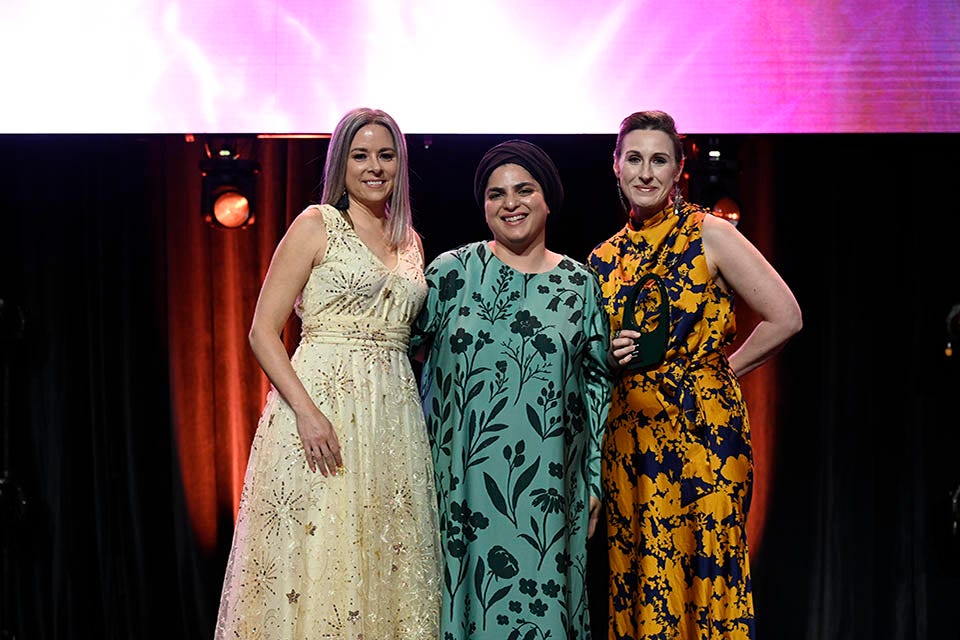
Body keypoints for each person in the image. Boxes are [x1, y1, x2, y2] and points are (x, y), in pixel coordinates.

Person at [214, 107, 441, 639]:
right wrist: (308, 414)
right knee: (322, 555)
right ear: (341, 164)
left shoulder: (411, 241)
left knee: (383, 554)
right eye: (360, 156)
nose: (374, 167)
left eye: (385, 155)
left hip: (391, 418)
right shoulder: (316, 224)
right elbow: (261, 332)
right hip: (321, 416)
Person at [587, 110, 802, 639]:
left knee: (706, 568)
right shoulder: (601, 260)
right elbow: (592, 363)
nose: (645, 172)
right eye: (633, 159)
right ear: (615, 166)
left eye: (659, 160)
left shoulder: (709, 233)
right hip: (630, 442)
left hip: (703, 432)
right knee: (641, 574)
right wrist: (610, 357)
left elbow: (786, 315)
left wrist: (718, 369)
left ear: (679, 168)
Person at [411, 140, 612, 639]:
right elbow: (397, 349)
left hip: (549, 496)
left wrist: (592, 480)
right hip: (459, 488)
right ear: (483, 206)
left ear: (548, 200)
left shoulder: (580, 285)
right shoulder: (450, 273)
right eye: (496, 193)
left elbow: (597, 386)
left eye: (525, 189)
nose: (511, 203)